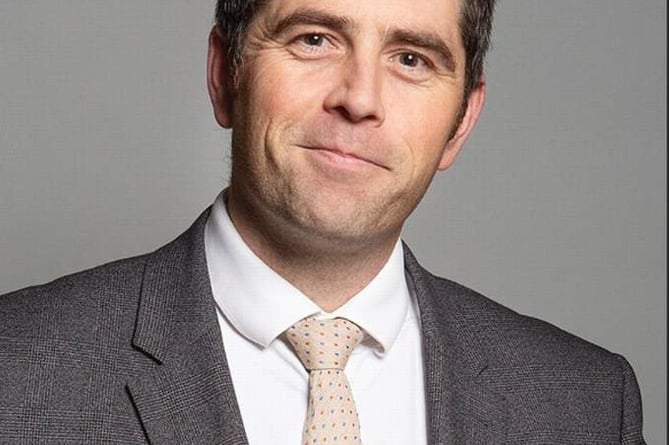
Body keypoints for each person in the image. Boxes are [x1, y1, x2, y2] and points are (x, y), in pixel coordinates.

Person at [0, 0, 646, 444]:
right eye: (314, 39)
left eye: (411, 59)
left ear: (461, 122)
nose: (359, 98)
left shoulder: (585, 403)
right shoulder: (17, 367)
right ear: (225, 75)